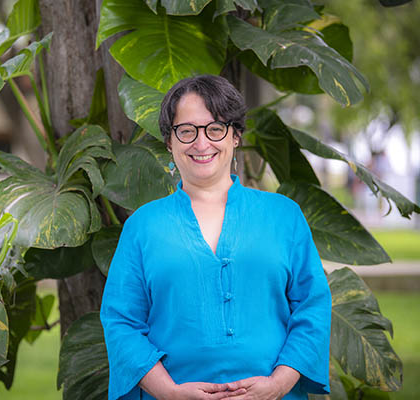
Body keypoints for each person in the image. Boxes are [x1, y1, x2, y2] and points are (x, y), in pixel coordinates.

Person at [100, 75, 332, 400]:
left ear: (235, 135)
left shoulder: (284, 216)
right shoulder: (142, 226)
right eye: (186, 131)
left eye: (215, 128)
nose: (201, 142)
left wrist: (278, 385)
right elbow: (121, 321)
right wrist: (169, 392)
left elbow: (312, 306)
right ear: (169, 141)